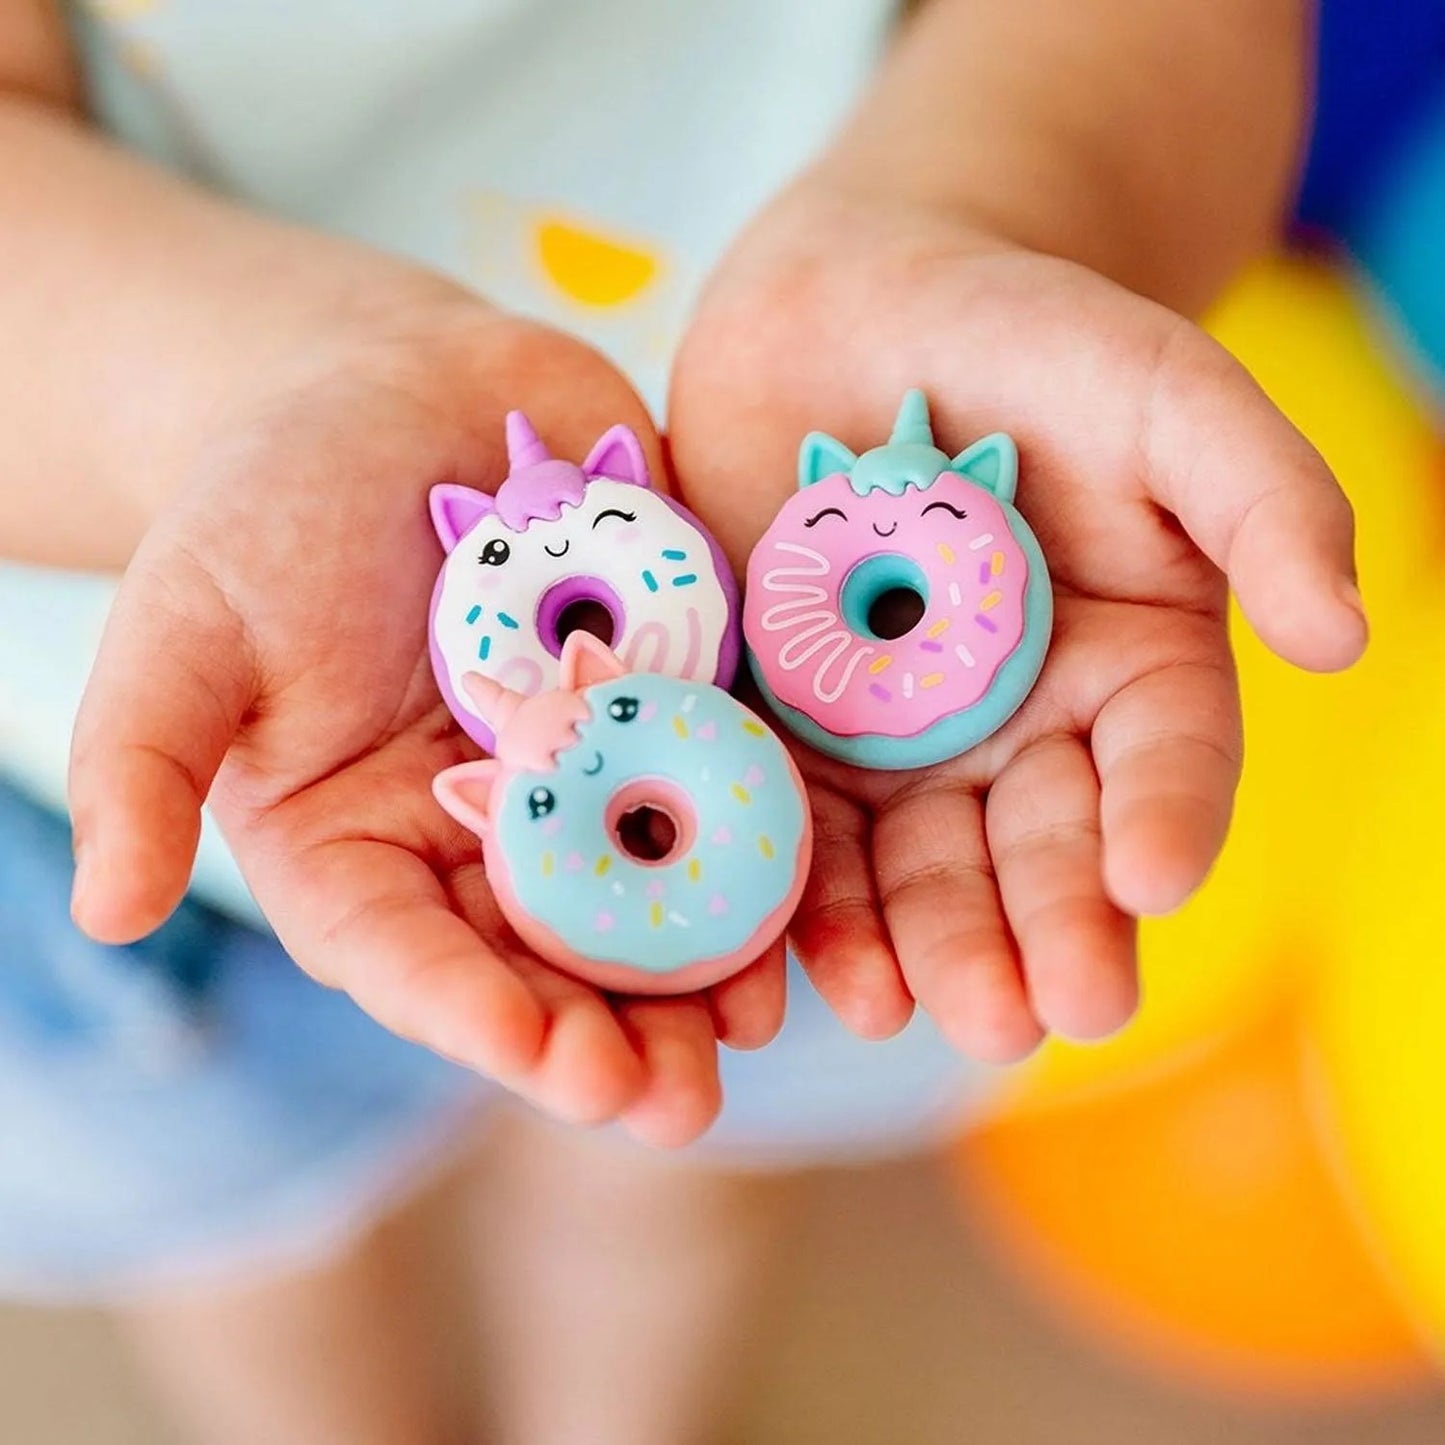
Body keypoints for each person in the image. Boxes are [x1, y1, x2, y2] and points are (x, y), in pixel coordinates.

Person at [0, 1, 1370, 1440]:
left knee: (659, 1173)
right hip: (153, 757)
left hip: (826, 793)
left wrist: (984, 211)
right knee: (258, 1253)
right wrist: (265, 396)